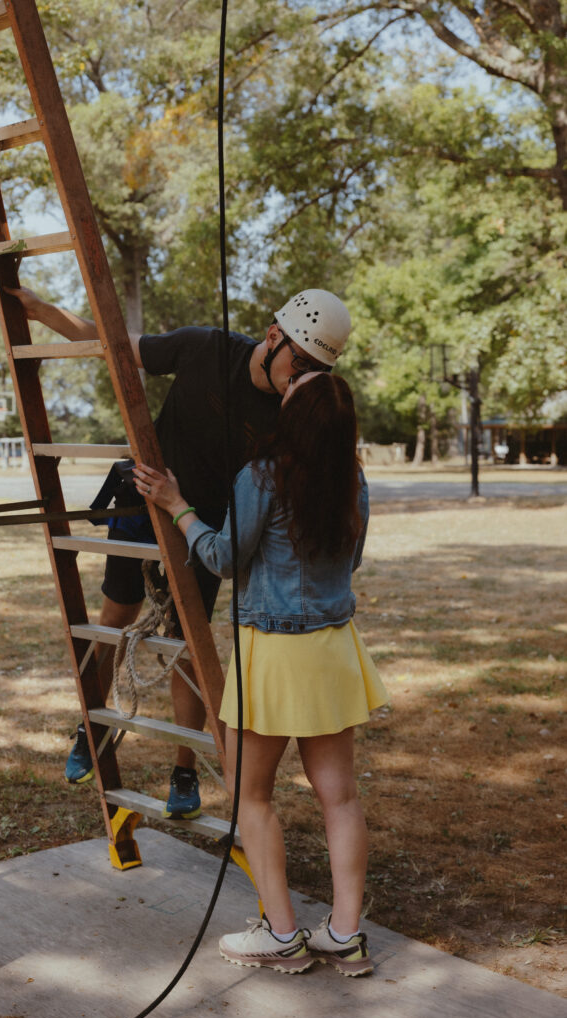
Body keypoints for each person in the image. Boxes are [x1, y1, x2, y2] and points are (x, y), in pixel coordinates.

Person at [5, 284, 352, 819]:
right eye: (299, 363)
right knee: (114, 620)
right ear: (273, 335)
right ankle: (89, 727)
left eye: (315, 373)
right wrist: (40, 310)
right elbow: (108, 342)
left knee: (184, 646)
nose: (302, 380)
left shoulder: (295, 412)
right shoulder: (206, 348)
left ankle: (184, 772)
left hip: (204, 531)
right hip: (141, 506)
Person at [134, 370, 388, 975]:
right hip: (332, 651)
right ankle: (346, 935)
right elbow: (351, 558)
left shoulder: (260, 479)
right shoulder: (352, 479)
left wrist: (178, 507)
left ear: (291, 420)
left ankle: (281, 934)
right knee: (341, 797)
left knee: (252, 795)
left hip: (274, 655)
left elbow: (222, 558)